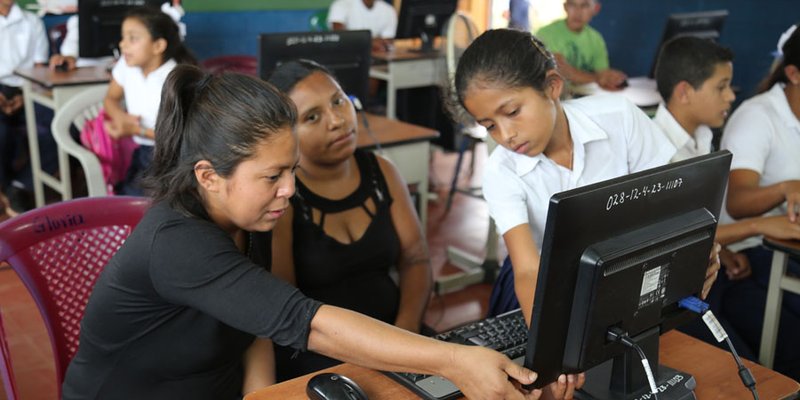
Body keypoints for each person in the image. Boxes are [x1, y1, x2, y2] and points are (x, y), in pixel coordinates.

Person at [61, 64, 544, 400]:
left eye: (291, 169)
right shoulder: (177, 242)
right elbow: (304, 320)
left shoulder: (252, 217)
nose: (289, 190)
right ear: (208, 176)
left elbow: (255, 324)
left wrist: (265, 397)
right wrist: (451, 360)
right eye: (272, 176)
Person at [266, 59, 433, 380]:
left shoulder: (382, 171)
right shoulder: (283, 197)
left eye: (339, 101)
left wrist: (407, 333)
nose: (337, 120)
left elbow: (416, 258)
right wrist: (379, 353)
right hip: (320, 352)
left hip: (400, 336)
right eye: (312, 117)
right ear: (287, 134)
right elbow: (287, 307)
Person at [653, 36, 800, 378]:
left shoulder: (702, 139)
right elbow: (672, 238)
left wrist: (721, 247)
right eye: (722, 88)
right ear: (685, 91)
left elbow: (700, 227)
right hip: (670, 295)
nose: (732, 96)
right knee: (743, 372)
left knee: (765, 361)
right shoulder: (653, 149)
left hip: (708, 273)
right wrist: (759, 225)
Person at [717, 24, 800, 380]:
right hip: (752, 253)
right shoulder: (758, 116)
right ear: (794, 73)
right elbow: (737, 201)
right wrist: (786, 187)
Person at [102, 5, 196, 195]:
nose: (123, 44)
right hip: (140, 151)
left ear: (158, 46)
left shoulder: (175, 78)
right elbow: (110, 98)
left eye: (133, 38)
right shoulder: (126, 65)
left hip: (172, 158)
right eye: (123, 37)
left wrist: (135, 130)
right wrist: (120, 117)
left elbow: (182, 136)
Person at [0, 0, 48, 211]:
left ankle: (21, 185)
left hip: (28, 89)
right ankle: (3, 189)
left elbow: (39, 68)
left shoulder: (32, 22)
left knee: (55, 126)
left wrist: (24, 96)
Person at [49, 1, 185, 71]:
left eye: (133, 37)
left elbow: (173, 38)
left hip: (141, 68)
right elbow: (70, 51)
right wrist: (67, 57)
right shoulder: (80, 20)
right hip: (90, 76)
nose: (122, 43)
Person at [535, 0, 626, 91]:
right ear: (565, 7)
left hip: (583, 97)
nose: (577, 12)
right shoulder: (546, 33)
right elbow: (562, 70)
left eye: (584, 5)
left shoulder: (596, 38)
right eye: (572, 5)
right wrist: (598, 79)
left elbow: (603, 73)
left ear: (596, 9)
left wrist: (612, 78)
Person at [328, 0, 397, 52]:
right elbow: (339, 34)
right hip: (348, 56)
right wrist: (370, 42)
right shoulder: (341, 4)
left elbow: (387, 41)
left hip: (376, 58)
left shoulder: (389, 10)